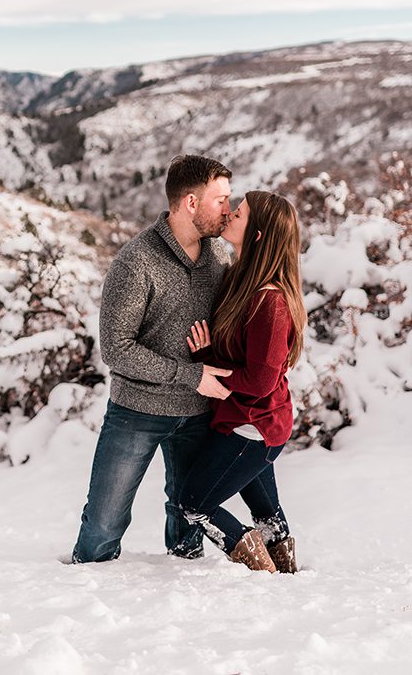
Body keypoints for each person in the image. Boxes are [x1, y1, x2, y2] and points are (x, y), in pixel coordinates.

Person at [71, 154, 235, 564]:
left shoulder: (220, 257)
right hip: (136, 412)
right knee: (103, 526)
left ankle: (177, 600)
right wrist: (189, 375)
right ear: (191, 203)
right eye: (221, 200)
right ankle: (82, 595)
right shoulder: (136, 261)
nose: (228, 210)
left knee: (188, 530)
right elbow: (116, 348)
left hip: (200, 413)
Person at [178, 191, 306, 573]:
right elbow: (242, 361)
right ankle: (286, 574)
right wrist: (207, 357)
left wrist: (207, 372)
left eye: (240, 213)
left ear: (259, 235)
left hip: (254, 426)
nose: (230, 214)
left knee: (194, 503)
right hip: (247, 420)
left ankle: (262, 571)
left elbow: (260, 380)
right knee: (265, 510)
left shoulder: (271, 301)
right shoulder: (242, 280)